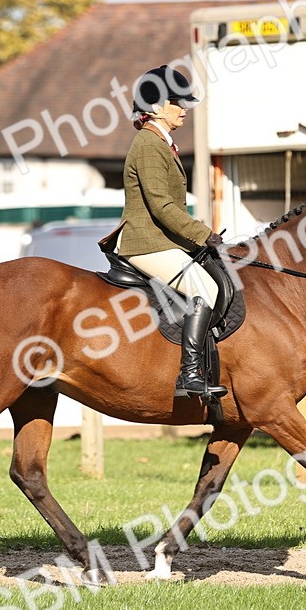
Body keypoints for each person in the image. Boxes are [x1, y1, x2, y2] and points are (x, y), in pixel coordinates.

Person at [117, 65, 226, 398]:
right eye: (177, 102)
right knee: (204, 289)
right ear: (156, 108)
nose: (184, 108)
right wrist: (203, 234)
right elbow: (162, 206)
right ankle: (189, 375)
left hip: (160, 239)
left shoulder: (161, 142)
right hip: (145, 242)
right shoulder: (149, 144)